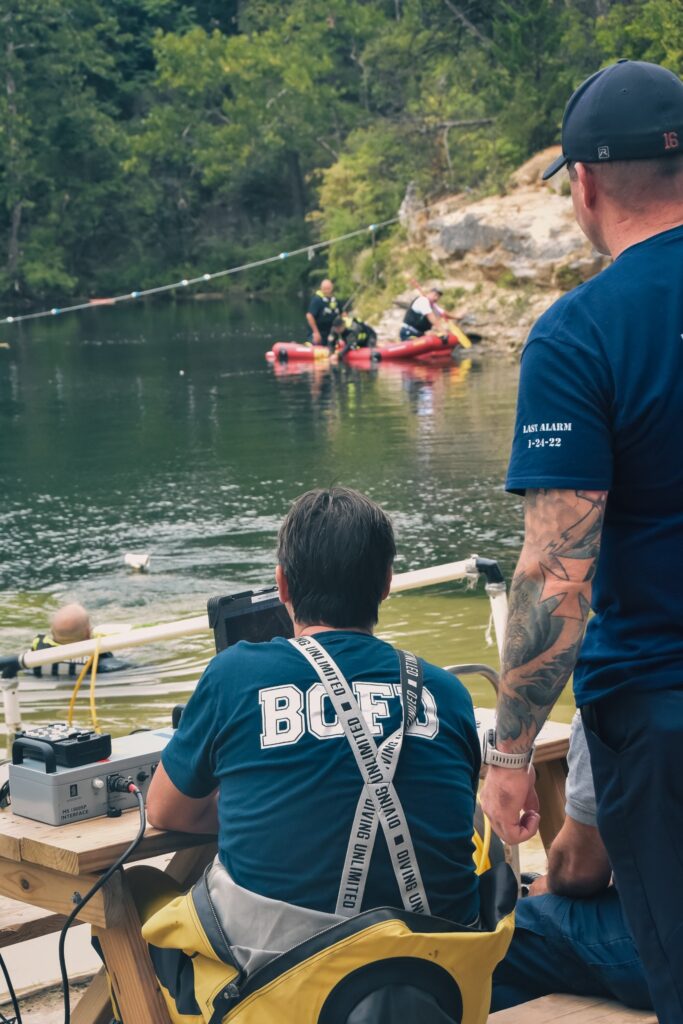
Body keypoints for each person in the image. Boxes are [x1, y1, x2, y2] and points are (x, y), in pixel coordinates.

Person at [479, 60, 683, 1022]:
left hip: (661, 717)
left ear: (585, 185)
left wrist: (510, 754)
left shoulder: (580, 334)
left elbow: (557, 572)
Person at [147, 487, 482, 927]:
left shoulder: (234, 676)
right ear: (386, 584)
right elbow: (444, 810)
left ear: (282, 583)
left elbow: (166, 811)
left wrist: (261, 817)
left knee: (138, 892)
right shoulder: (447, 691)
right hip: (441, 977)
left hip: (280, 981)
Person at [491, 713, 652, 1012]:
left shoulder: (612, 691)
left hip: (658, 939)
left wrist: (548, 883)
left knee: (489, 944)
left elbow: (580, 869)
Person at [306, 278, 340, 346]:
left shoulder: (335, 301)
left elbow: (342, 314)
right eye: (325, 289)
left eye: (328, 288)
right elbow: (309, 316)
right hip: (318, 333)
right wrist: (316, 332)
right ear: (321, 289)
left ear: (332, 288)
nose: (327, 291)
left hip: (330, 334)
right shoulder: (317, 300)